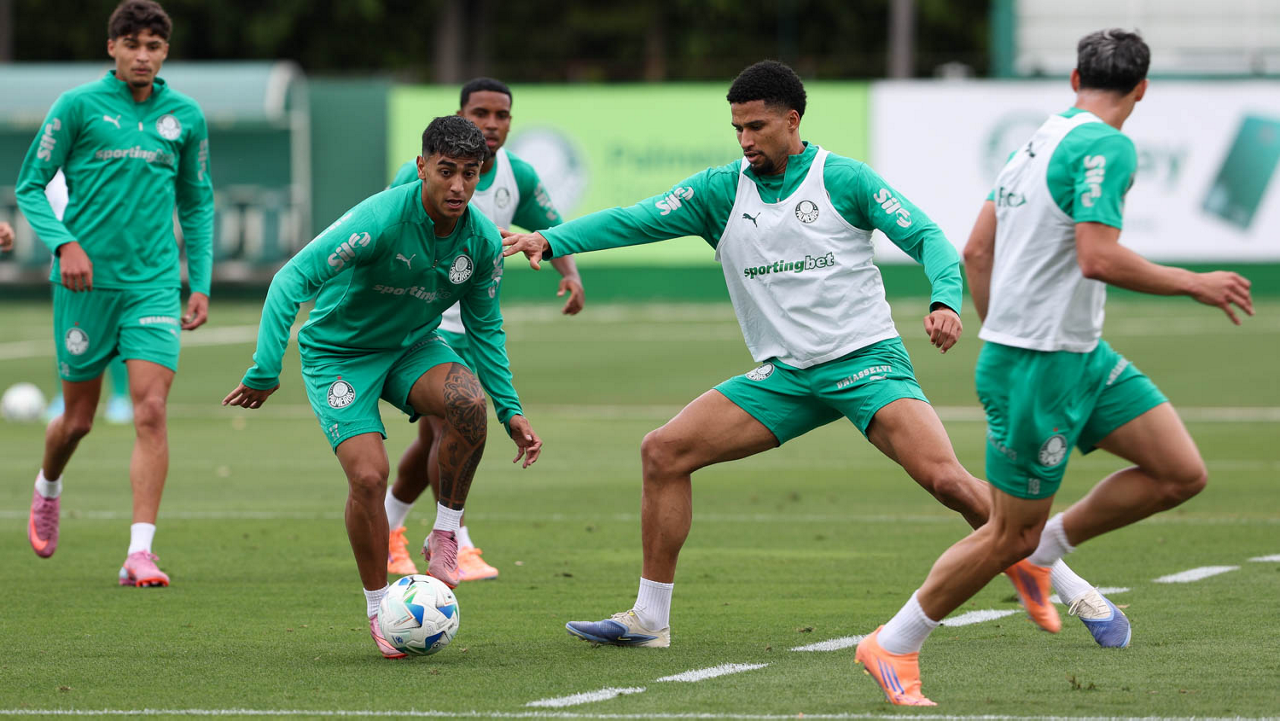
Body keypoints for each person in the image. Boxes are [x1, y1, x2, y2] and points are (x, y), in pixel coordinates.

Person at [503, 60, 1112, 650]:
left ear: (792, 120)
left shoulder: (845, 179)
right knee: (663, 451)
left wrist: (945, 300)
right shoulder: (719, 191)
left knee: (947, 481)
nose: (745, 139)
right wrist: (550, 239)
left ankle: (1074, 587)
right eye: (737, 128)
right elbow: (634, 220)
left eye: (756, 126)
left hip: (865, 363)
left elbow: (928, 237)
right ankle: (649, 619)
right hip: (786, 377)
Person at [855, 29, 1253, 706]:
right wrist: (1194, 281)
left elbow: (976, 251)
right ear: (1142, 89)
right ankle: (894, 642)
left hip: (1078, 355)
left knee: (1179, 472)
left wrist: (999, 330)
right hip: (1037, 367)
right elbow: (1097, 257)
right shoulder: (1109, 146)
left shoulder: (1036, 141)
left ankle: (1046, 553)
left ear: (1074, 79)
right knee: (1007, 531)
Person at [223, 115, 543, 659]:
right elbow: (290, 279)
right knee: (369, 477)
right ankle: (380, 610)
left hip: (413, 346)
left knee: (470, 403)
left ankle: (445, 533)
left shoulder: (484, 242)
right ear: (422, 168)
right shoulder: (378, 219)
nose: (458, 186)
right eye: (446, 171)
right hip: (340, 355)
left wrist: (511, 408)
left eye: (470, 173)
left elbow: (486, 328)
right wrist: (264, 368)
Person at [16, 0, 214, 587]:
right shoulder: (77, 106)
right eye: (133, 45)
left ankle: (139, 553)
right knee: (76, 420)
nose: (143, 56)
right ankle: (49, 485)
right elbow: (29, 186)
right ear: (113, 48)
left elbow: (197, 203)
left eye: (154, 46)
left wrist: (199, 282)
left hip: (153, 286)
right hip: (84, 285)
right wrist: (64, 244)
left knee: (151, 410)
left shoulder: (185, 117)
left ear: (165, 52)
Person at [383, 78, 585, 582]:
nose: (492, 124)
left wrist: (571, 275)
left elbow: (550, 226)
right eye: (481, 113)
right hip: (426, 328)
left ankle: (389, 527)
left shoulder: (518, 175)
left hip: (474, 326)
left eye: (502, 115)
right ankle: (457, 540)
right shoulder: (418, 177)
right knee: (450, 427)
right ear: (461, 114)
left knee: (432, 442)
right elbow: (383, 229)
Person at [40, 172, 134, 425]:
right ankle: (63, 397)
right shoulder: (52, 177)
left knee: (116, 331)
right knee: (67, 335)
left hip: (109, 267)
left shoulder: (103, 167)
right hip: (65, 271)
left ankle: (120, 398)